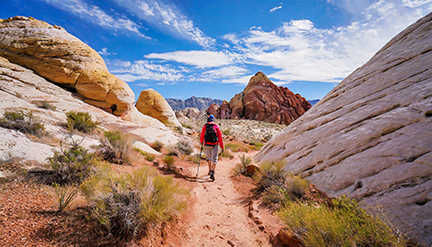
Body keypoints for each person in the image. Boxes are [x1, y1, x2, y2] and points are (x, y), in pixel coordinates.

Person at [200, 114, 224, 180]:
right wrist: (222, 146)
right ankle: (213, 171)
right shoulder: (216, 126)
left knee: (209, 158)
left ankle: (209, 170)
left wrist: (202, 142)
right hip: (214, 145)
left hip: (207, 144)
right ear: (213, 119)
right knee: (214, 159)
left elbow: (202, 135)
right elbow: (220, 137)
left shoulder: (205, 126)